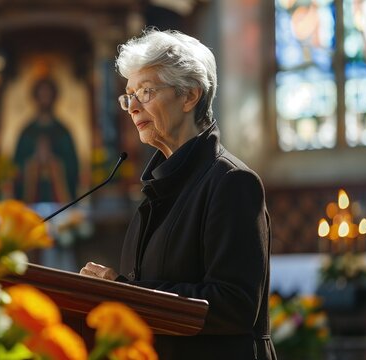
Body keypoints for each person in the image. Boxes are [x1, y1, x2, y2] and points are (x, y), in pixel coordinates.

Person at [80, 29, 276, 360]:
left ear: (189, 96)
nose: (132, 107)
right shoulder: (158, 189)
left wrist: (125, 294)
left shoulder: (232, 182)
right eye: (129, 95)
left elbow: (234, 305)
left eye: (145, 91)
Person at [13, 77, 79, 204]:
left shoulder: (63, 131)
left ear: (54, 97)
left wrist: (53, 161)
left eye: (48, 94)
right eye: (41, 94)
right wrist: (33, 161)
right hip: (32, 201)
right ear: (35, 97)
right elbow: (16, 167)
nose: (45, 98)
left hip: (58, 202)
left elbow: (73, 166)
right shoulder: (27, 132)